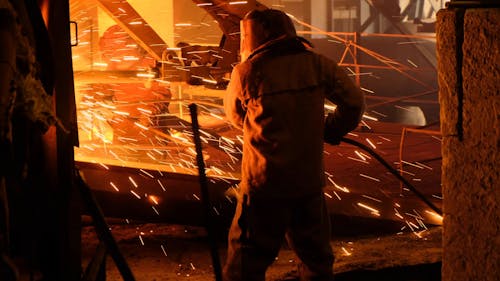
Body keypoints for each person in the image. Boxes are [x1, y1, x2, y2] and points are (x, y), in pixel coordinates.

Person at [223, 9, 365, 281]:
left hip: (263, 186)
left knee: (245, 264)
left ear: (253, 36)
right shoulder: (317, 65)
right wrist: (329, 129)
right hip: (307, 183)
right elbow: (354, 103)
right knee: (316, 263)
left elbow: (236, 117)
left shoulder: (246, 72)